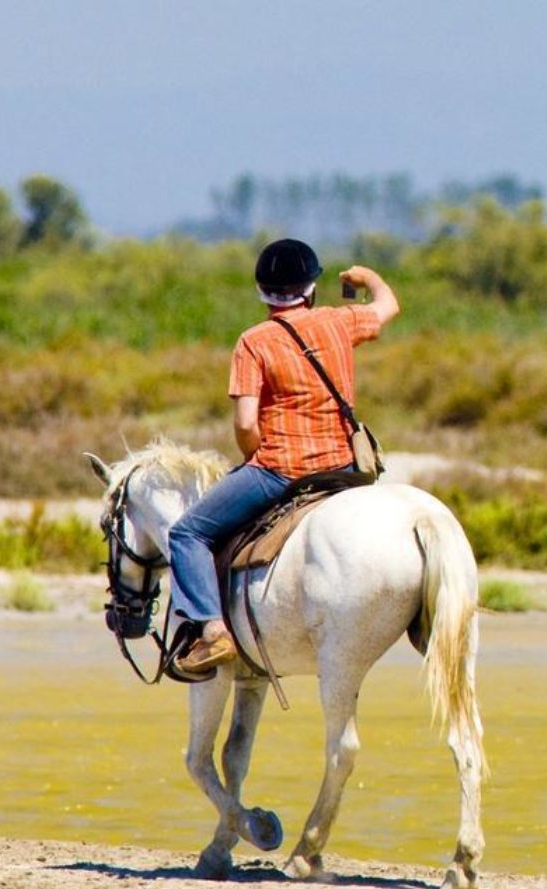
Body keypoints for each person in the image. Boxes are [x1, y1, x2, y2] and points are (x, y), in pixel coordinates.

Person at [166, 238, 400, 675]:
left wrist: (256, 459)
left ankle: (213, 631)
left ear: (262, 291)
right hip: (343, 466)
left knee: (187, 534)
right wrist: (365, 278)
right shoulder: (337, 322)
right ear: (311, 288)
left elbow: (245, 425)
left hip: (281, 469)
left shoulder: (253, 342)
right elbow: (387, 306)